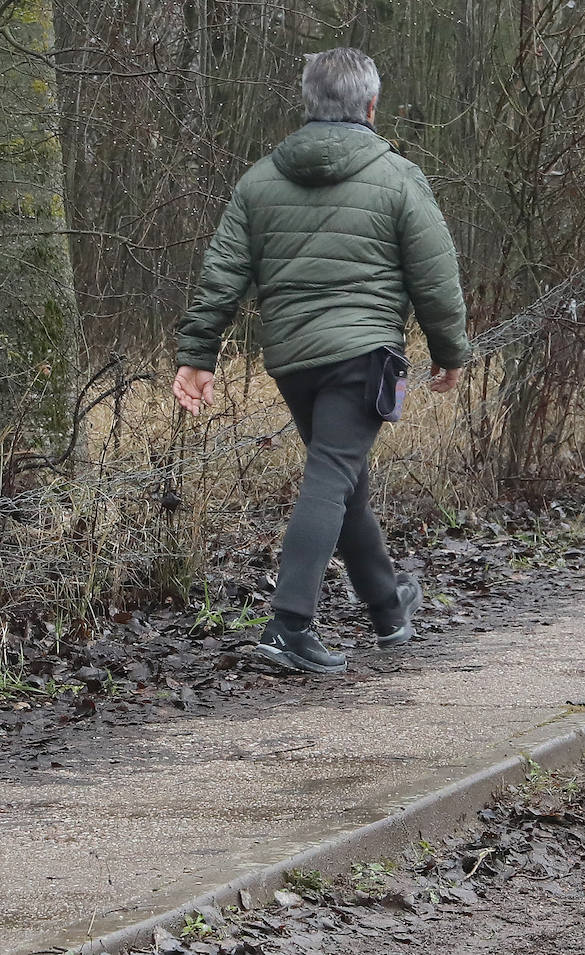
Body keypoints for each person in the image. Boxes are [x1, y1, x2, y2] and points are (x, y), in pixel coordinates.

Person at [173, 47, 470, 675]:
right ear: (371, 106)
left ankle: (388, 608)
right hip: (364, 354)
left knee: (343, 480)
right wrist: (450, 352)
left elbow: (222, 272)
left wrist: (199, 352)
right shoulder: (398, 176)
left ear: (308, 102)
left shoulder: (259, 180)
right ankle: (289, 625)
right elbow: (436, 275)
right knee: (332, 476)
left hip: (292, 359)